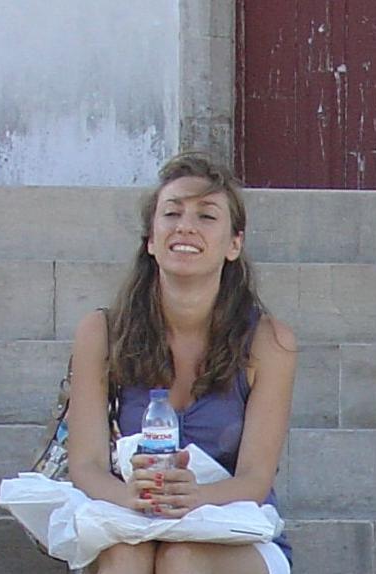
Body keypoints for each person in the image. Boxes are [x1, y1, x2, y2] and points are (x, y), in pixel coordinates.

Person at [66, 153, 296, 574]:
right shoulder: (101, 332)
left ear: (234, 244)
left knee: (182, 559)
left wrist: (195, 497)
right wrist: (130, 496)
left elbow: (255, 479)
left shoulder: (269, 342)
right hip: (131, 518)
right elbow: (85, 464)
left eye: (206, 216)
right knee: (126, 556)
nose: (185, 226)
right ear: (151, 240)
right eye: (172, 213)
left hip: (233, 530)